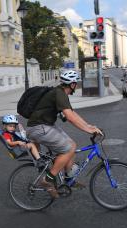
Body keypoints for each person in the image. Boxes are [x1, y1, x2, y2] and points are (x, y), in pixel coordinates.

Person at [26, 70, 102, 198]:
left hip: (44, 126)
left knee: (72, 145)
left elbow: (71, 113)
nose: (77, 85)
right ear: (71, 84)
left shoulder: (59, 93)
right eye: (76, 83)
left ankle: (68, 180)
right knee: (68, 149)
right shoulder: (59, 93)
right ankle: (48, 179)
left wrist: (88, 125)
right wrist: (88, 130)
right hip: (39, 128)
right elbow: (70, 118)